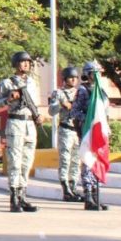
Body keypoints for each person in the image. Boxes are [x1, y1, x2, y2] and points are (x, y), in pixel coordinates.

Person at [0, 50, 48, 213]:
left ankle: (23, 196)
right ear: (16, 64)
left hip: (30, 124)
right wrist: (8, 98)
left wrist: (39, 116)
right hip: (15, 122)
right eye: (23, 62)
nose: (26, 64)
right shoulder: (7, 83)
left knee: (26, 163)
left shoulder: (32, 83)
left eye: (28, 62)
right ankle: (14, 198)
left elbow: (34, 104)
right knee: (15, 162)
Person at [72, 61, 108, 211]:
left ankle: (95, 195)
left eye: (99, 72)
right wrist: (88, 120)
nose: (97, 75)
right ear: (88, 74)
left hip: (99, 131)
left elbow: (104, 112)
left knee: (97, 162)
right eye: (94, 73)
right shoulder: (83, 90)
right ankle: (88, 197)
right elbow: (74, 112)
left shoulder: (101, 90)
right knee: (88, 163)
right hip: (88, 131)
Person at [48, 66, 82, 202]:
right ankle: (66, 189)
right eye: (70, 77)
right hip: (66, 129)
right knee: (65, 160)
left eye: (75, 78)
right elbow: (51, 111)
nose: (73, 80)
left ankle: (73, 187)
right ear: (65, 79)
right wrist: (62, 105)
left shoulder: (80, 93)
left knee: (76, 161)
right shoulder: (59, 93)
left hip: (77, 130)